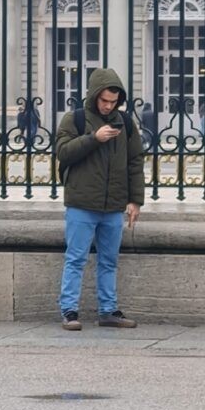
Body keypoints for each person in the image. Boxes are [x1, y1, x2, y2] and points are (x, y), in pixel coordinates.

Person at [55, 67, 144, 331]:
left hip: (114, 205)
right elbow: (63, 152)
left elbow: (135, 162)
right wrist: (93, 138)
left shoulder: (126, 123)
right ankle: (69, 311)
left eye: (113, 102)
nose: (108, 106)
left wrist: (135, 200)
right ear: (94, 96)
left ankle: (108, 310)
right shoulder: (76, 119)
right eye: (104, 100)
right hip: (82, 204)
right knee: (76, 258)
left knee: (109, 260)